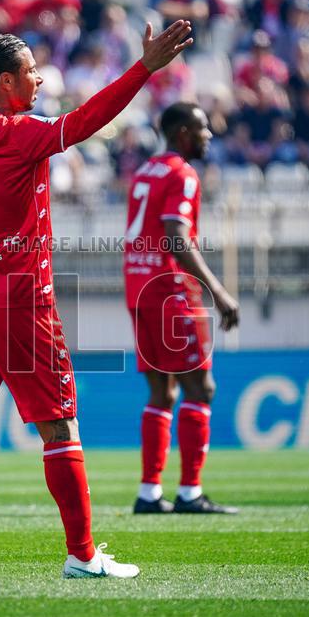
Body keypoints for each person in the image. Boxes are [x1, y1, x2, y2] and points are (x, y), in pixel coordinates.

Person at [0, 17, 193, 580]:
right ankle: (83, 555)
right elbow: (87, 122)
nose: (39, 80)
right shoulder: (22, 134)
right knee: (60, 425)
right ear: (8, 82)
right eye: (32, 72)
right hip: (19, 301)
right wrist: (144, 69)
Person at [125, 102, 240, 516]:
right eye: (203, 128)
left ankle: (150, 492)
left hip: (138, 286)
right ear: (182, 134)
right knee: (200, 388)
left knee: (162, 390)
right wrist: (219, 291)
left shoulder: (144, 171)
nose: (209, 134)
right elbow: (176, 236)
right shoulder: (182, 173)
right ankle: (190, 491)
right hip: (170, 290)